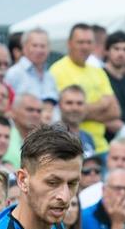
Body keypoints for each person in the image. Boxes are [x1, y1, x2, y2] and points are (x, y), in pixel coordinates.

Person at [49, 24, 118, 155]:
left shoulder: (98, 71)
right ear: (69, 43)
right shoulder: (57, 71)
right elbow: (63, 113)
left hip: (102, 147)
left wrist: (82, 111)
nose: (85, 47)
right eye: (80, 42)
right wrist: (102, 104)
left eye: (89, 42)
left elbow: (115, 111)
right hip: (71, 146)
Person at [5, 27, 59, 104]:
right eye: (34, 45)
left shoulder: (50, 76)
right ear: (24, 47)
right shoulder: (14, 74)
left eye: (43, 46)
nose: (39, 50)